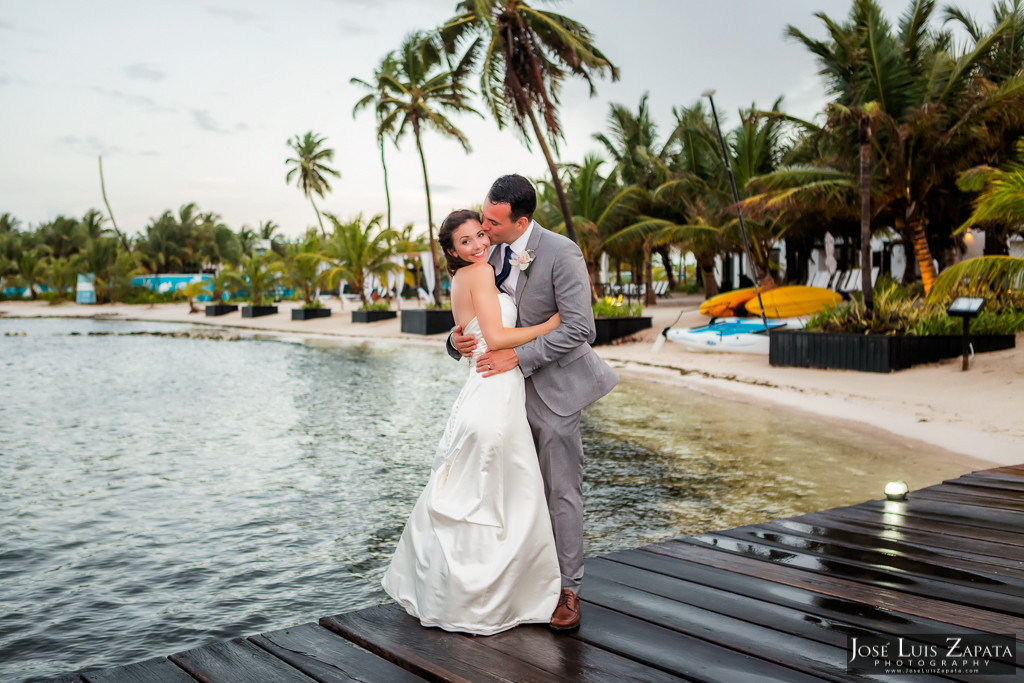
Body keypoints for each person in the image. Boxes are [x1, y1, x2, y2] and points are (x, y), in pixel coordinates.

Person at [448, 174, 619, 631]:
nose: (483, 228)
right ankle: (517, 583)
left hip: (553, 393)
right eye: (482, 218)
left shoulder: (562, 252)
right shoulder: (485, 253)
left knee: (560, 492)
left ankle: (569, 590)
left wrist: (517, 357)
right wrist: (455, 339)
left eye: (492, 221)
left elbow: (580, 328)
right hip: (501, 396)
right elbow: (475, 315)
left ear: (520, 220)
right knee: (510, 490)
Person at [381, 209, 563, 635]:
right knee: (504, 493)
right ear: (451, 250)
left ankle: (460, 593)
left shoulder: (466, 275)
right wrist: (549, 325)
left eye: (481, 234)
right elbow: (495, 339)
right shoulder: (479, 274)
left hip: (482, 391)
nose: (479, 244)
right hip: (495, 392)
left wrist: (457, 337)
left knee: (486, 492)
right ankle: (493, 600)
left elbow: (467, 331)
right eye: (466, 241)